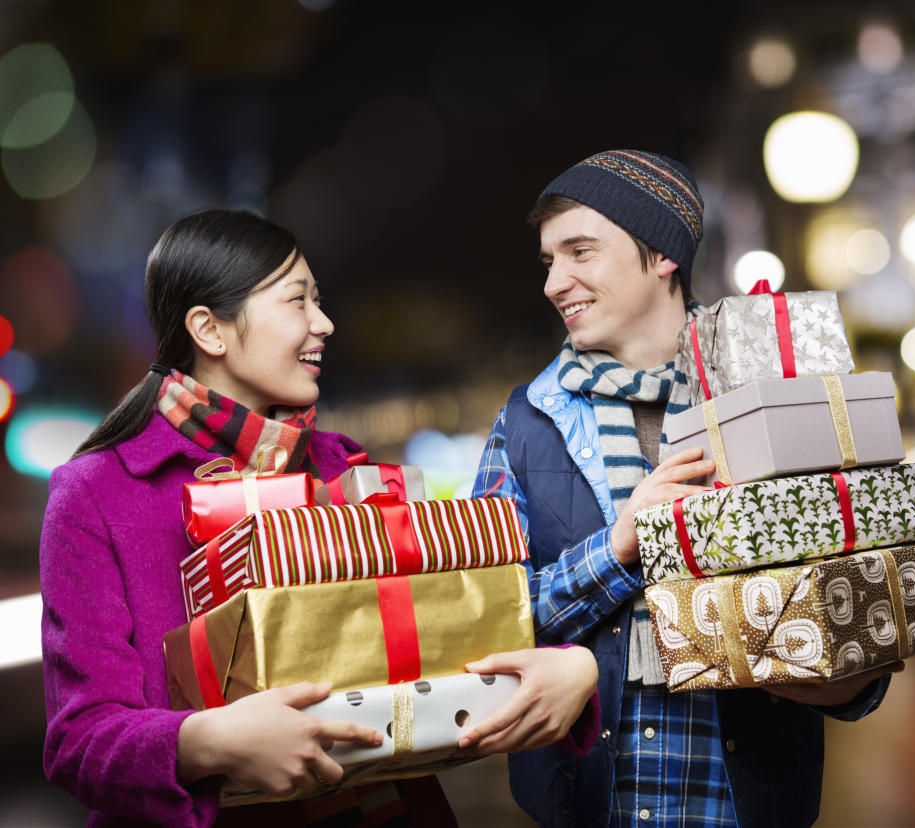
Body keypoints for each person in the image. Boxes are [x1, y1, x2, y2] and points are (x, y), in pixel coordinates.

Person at [40, 209, 599, 827]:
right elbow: (80, 739)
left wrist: (571, 669)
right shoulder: (96, 494)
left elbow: (446, 637)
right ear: (210, 330)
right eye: (298, 301)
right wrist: (212, 741)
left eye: (319, 301)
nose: (324, 324)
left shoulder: (348, 472)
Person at [473, 150, 902, 827]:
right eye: (548, 261)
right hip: (587, 807)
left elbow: (859, 617)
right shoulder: (525, 424)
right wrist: (620, 546)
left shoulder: (771, 396)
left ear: (662, 254)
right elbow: (483, 618)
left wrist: (848, 679)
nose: (557, 282)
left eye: (580, 252)